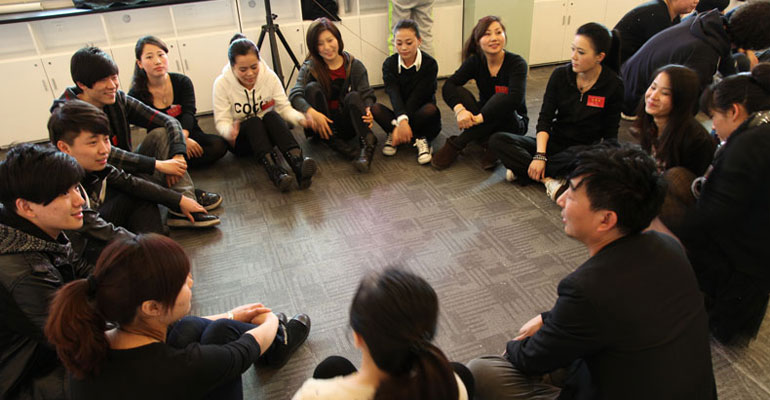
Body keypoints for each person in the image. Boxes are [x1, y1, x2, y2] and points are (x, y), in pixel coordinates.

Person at [468, 144, 716, 399]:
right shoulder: (668, 247)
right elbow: (616, 307)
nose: (561, 199)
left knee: (482, 372)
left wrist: (513, 349)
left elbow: (531, 358)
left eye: (572, 194)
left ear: (606, 219)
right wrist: (548, 319)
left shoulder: (588, 287)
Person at [45, 233, 312, 400]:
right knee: (223, 334)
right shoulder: (178, 368)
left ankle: (277, 344)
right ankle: (280, 340)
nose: (191, 282)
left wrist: (232, 314)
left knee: (199, 326)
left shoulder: (90, 341)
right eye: (183, 281)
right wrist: (271, 321)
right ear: (152, 307)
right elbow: (243, 351)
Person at [57, 46, 221, 227]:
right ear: (82, 84)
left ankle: (182, 202)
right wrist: (159, 165)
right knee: (141, 198)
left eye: (114, 77)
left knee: (162, 134)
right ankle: (180, 199)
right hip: (101, 185)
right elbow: (107, 157)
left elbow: (169, 121)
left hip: (127, 170)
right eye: (103, 80)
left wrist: (177, 156)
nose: (112, 85)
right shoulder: (68, 114)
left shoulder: (116, 98)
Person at [679, 62, 770, 344]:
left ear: (734, 111)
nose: (713, 125)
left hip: (741, 265)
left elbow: (713, 216)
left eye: (714, 116)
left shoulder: (747, 145)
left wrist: (665, 233)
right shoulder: (761, 128)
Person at [292, 267, 473, 400]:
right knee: (461, 370)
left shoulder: (313, 395)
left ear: (358, 337)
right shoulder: (452, 386)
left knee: (331, 366)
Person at [491, 23, 622, 201]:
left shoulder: (613, 84)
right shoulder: (560, 75)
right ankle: (549, 180)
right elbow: (545, 119)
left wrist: (602, 159)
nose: (573, 56)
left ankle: (524, 169)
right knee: (498, 140)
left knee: (598, 163)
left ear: (600, 57)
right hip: (554, 142)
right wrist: (540, 155)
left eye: (581, 52)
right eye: (573, 49)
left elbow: (611, 137)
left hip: (583, 150)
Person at [0, 143, 90, 399]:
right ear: (26, 207)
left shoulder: (32, 232)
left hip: (43, 356)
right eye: (63, 193)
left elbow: (84, 274)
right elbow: (75, 338)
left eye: (75, 187)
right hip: (21, 381)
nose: (80, 200)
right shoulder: (23, 270)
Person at [49, 100, 216, 237]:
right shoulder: (59, 182)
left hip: (97, 221)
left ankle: (158, 242)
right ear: (64, 148)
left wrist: (179, 200)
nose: (104, 150)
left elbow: (130, 182)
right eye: (93, 143)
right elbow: (92, 228)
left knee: (139, 192)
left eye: (106, 140)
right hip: (81, 249)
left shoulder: (92, 165)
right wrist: (141, 245)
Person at [621, 2, 770, 116]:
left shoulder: (708, 24)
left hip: (626, 84)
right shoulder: (704, 52)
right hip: (634, 103)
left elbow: (727, 64)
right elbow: (688, 107)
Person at [213, 34, 317, 191]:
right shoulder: (221, 84)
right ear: (232, 66)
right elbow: (222, 121)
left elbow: (284, 107)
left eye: (254, 67)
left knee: (272, 115)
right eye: (243, 69)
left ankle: (298, 164)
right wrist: (229, 131)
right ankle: (276, 172)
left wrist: (300, 118)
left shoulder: (269, 77)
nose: (250, 73)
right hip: (241, 141)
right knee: (253, 121)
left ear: (259, 61)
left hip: (267, 139)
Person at [433, 16, 528, 170]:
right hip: (484, 114)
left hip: (512, 120)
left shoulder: (517, 63)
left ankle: (458, 143)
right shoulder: (476, 61)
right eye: (487, 34)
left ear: (505, 35)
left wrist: (479, 119)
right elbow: (449, 85)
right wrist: (460, 110)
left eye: (498, 32)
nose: (494, 38)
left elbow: (515, 99)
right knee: (459, 91)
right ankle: (490, 143)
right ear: (478, 41)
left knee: (503, 96)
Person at [289, 17, 379, 173]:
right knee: (311, 88)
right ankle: (334, 142)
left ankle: (368, 146)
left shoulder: (354, 65)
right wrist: (312, 113)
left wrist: (368, 109)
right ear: (314, 47)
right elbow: (294, 95)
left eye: (330, 40)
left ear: (338, 39)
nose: (327, 47)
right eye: (320, 44)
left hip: (347, 124)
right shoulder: (310, 67)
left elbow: (367, 94)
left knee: (354, 96)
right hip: (322, 124)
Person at [129, 35, 228, 168]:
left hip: (189, 132)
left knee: (218, 145)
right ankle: (176, 164)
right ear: (140, 63)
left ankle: (176, 165)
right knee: (154, 157)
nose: (157, 61)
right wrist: (179, 143)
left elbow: (189, 113)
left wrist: (183, 139)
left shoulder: (182, 82)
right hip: (164, 140)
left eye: (161, 55)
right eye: (149, 57)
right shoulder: (136, 93)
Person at [372, 19, 440, 165]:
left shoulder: (430, 64)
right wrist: (402, 120)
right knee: (375, 109)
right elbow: (394, 94)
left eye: (409, 43)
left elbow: (418, 96)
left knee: (430, 109)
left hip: (421, 114)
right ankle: (399, 133)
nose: (403, 48)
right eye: (399, 43)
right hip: (400, 111)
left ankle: (421, 138)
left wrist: (401, 122)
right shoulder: (389, 64)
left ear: (419, 41)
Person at [636, 64, 716, 176]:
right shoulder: (650, 122)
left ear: (682, 99)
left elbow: (685, 182)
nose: (653, 96)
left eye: (665, 93)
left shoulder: (697, 141)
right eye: (653, 87)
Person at [614, 0, 700, 65]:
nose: (697, 1)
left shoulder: (672, 16)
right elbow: (660, 58)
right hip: (619, 70)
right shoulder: (657, 14)